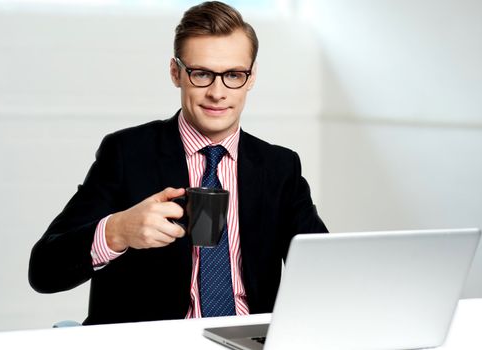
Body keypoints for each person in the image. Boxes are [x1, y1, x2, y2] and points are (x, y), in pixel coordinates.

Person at [28, 1, 328, 325]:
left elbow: (326, 269)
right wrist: (117, 231)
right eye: (201, 74)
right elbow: (44, 270)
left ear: (251, 77)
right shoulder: (126, 154)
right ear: (176, 72)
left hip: (247, 340)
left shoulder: (279, 167)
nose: (217, 92)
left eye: (233, 75)